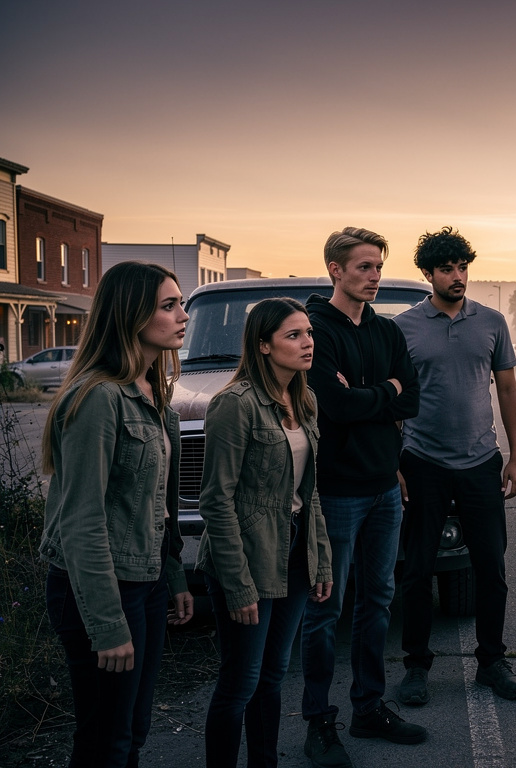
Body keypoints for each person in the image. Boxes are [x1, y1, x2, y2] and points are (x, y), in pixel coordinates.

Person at [39, 261, 194, 767]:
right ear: (130, 315)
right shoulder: (98, 398)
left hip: (143, 584)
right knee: (106, 739)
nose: (182, 315)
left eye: (181, 303)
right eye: (168, 305)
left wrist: (172, 577)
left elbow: (157, 509)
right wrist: (106, 624)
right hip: (100, 589)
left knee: (133, 729)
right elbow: (80, 521)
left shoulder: (157, 398)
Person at [301, 227, 426, 767]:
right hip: (336, 492)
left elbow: (412, 398)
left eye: (378, 267)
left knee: (378, 603)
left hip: (383, 489)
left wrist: (372, 396)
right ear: (335, 269)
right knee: (324, 610)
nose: (374, 276)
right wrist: (385, 395)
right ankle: (318, 723)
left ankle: (368, 708)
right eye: (363, 267)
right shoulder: (316, 330)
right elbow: (334, 405)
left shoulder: (388, 332)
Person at [196, 298, 333, 768]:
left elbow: (308, 492)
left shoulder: (304, 399)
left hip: (294, 551)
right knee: (241, 682)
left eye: (309, 332)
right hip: (248, 555)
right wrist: (237, 584)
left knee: (274, 676)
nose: (307, 342)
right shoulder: (234, 405)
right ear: (263, 345)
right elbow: (216, 500)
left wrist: (321, 558)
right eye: (293, 335)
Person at [393, 226, 516, 705]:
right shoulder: (404, 327)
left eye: (462, 267)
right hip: (422, 460)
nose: (457, 276)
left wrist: (515, 456)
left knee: (491, 567)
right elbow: (393, 399)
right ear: (428, 274)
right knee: (417, 570)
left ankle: (491, 662)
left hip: (479, 462)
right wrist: (396, 461)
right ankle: (416, 667)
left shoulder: (491, 322)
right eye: (447, 268)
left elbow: (507, 390)